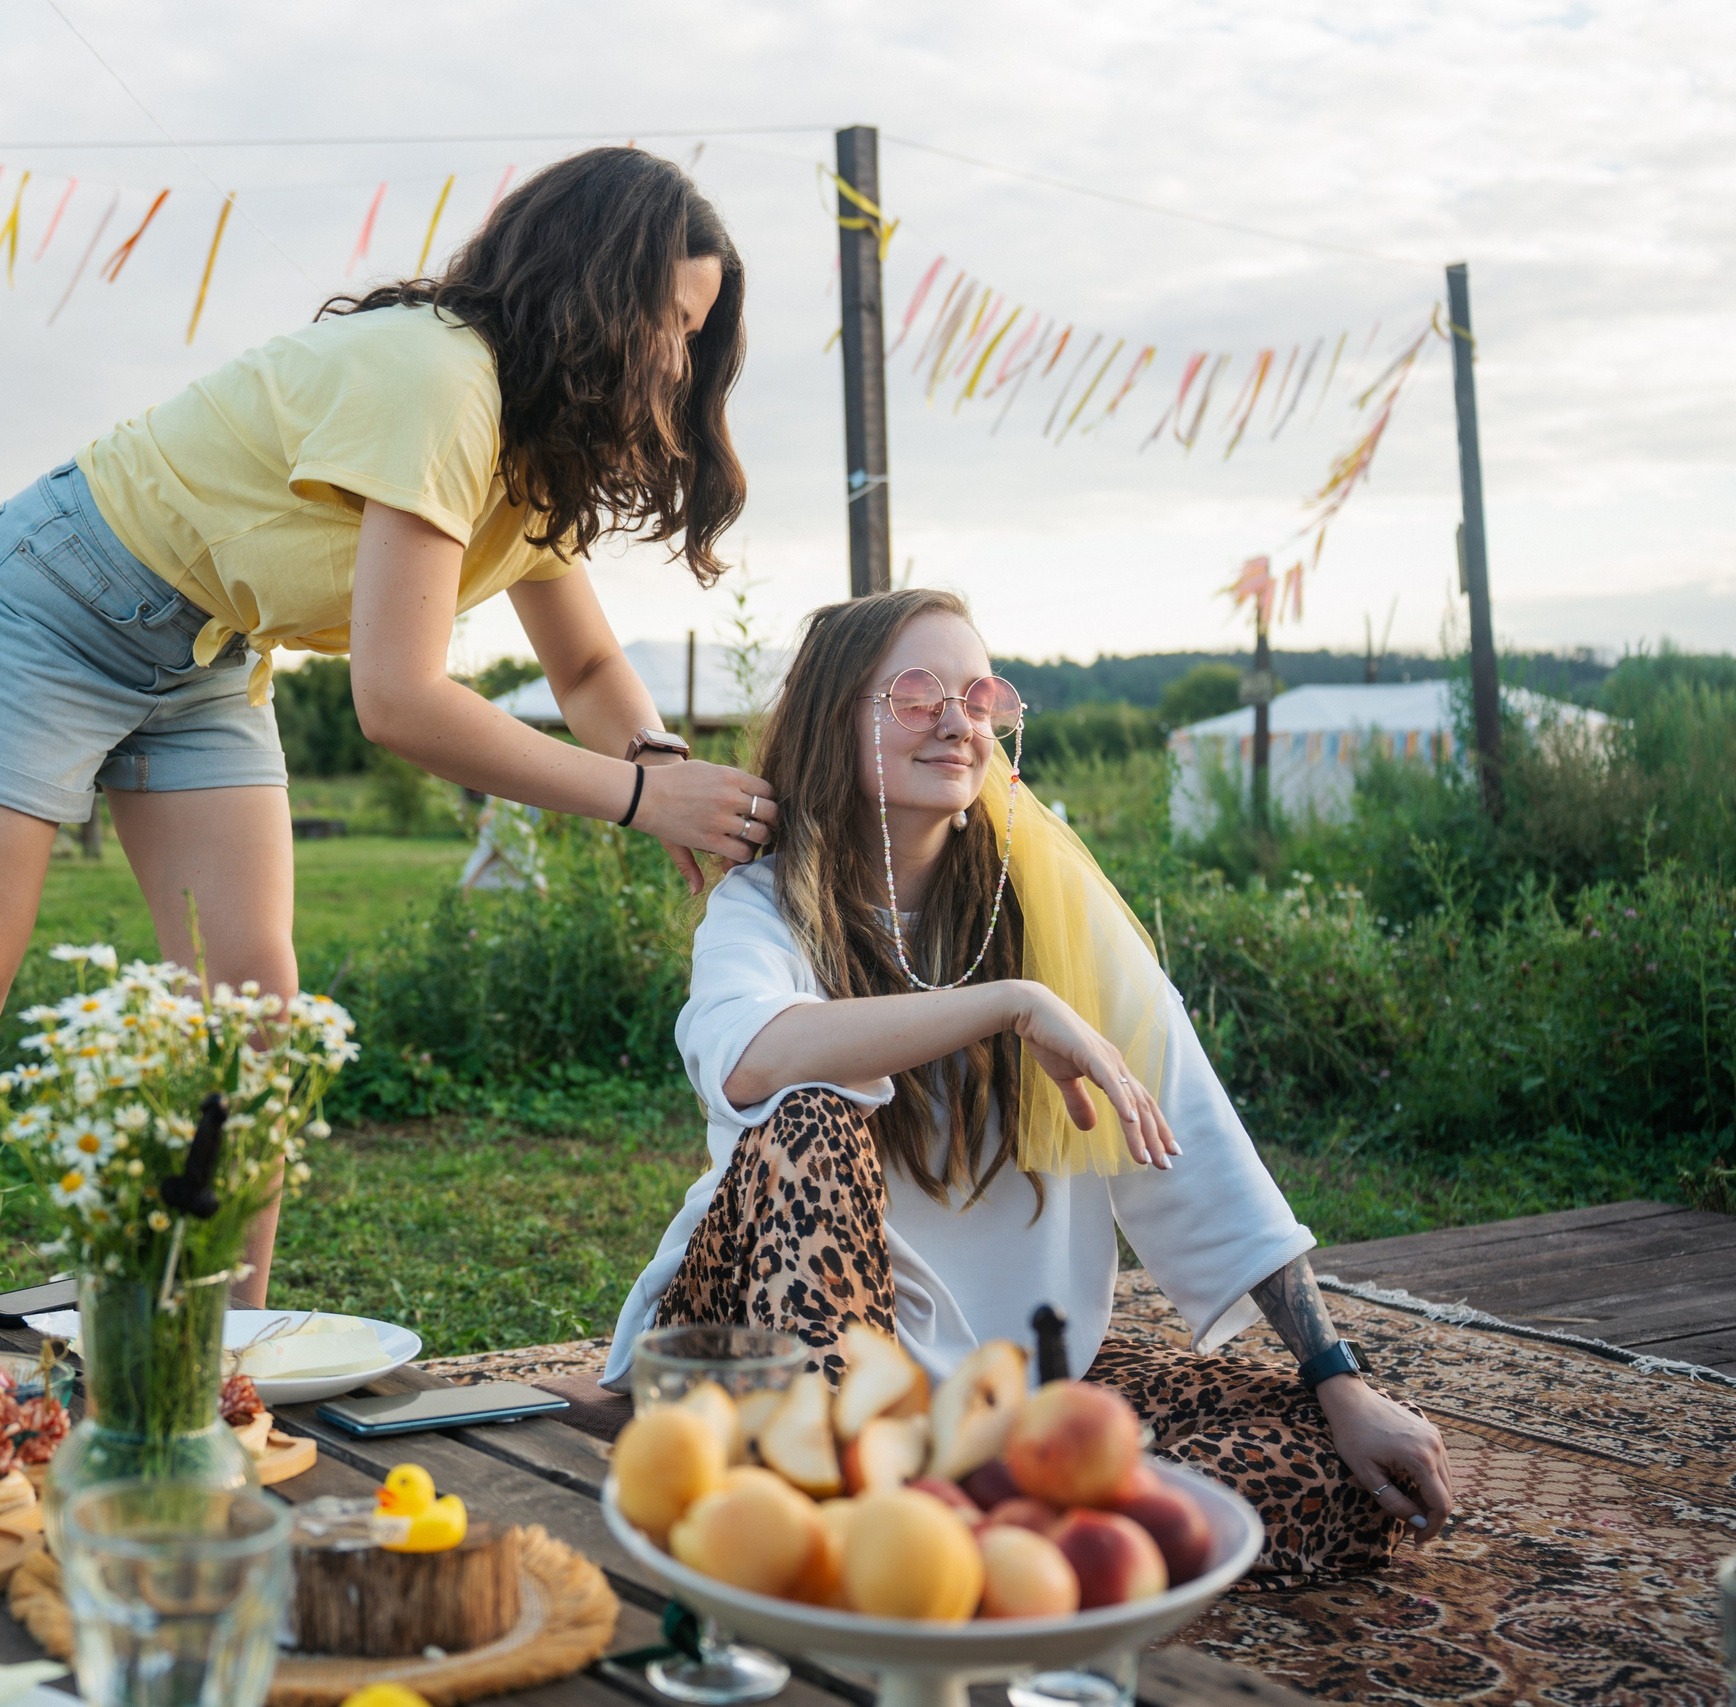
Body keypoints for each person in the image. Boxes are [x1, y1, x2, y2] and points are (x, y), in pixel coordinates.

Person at [0, 149, 779, 1302]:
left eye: (693, 332)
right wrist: (634, 797)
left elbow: (581, 663)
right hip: (56, 603)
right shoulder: (440, 382)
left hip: (210, 654)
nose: (677, 359)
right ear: (591, 288)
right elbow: (399, 701)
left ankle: (209, 1359)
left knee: (251, 1023)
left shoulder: (538, 444)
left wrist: (659, 766)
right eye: (667, 322)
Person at [603, 588, 1455, 1581]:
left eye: (977, 693)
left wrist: (1336, 1378)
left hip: (997, 1394)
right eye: (917, 693)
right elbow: (750, 1055)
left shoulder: (1051, 909)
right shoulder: (760, 907)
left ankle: (935, 1513)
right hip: (784, 1355)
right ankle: (858, 1500)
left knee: (1331, 1477)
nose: (958, 720)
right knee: (809, 1118)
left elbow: (1189, 1137)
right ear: (834, 715)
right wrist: (1009, 1005)